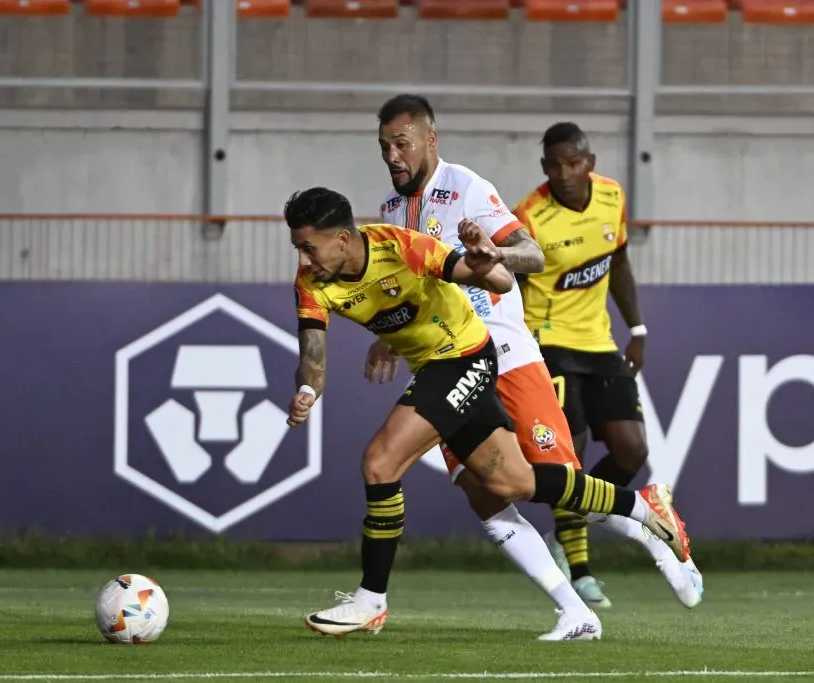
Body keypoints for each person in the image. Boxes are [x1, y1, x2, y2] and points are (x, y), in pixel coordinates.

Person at [284, 186, 692, 641]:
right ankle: (642, 505)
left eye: (308, 247)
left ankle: (371, 600)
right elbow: (313, 354)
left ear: (341, 239)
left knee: (380, 461)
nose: (303, 260)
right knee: (511, 483)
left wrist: (483, 258)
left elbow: (498, 283)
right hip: (435, 368)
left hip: (465, 358)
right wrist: (307, 387)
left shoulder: (401, 247)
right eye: (298, 248)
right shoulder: (312, 284)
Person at [369, 93, 610, 611]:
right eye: (385, 145)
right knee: (484, 493)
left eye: (402, 143)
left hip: (505, 355)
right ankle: (576, 611)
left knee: (563, 488)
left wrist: (494, 252)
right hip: (449, 365)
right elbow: (416, 291)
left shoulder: (467, 187)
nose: (392, 155)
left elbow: (534, 254)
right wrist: (386, 337)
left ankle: (650, 521)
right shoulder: (392, 211)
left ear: (431, 138)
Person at [513, 122, 703, 607]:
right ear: (544, 168)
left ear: (590, 163)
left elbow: (616, 264)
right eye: (554, 165)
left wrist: (637, 329)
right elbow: (505, 285)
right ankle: (579, 569)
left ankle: (571, 525)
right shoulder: (529, 218)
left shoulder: (611, 197)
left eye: (573, 163)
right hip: (548, 343)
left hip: (599, 342)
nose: (565, 173)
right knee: (568, 457)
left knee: (631, 450)